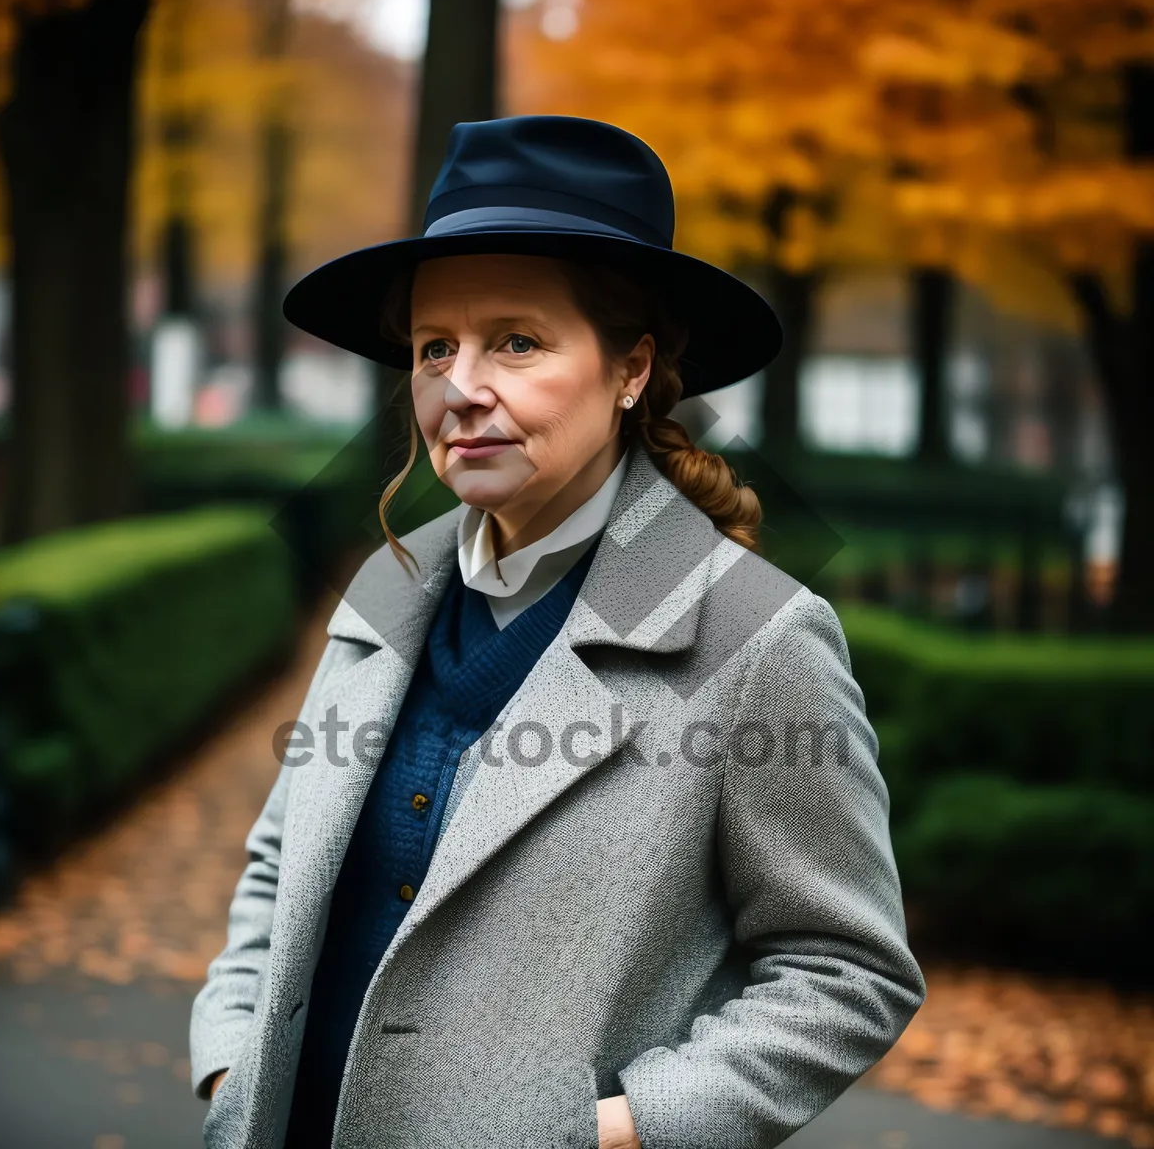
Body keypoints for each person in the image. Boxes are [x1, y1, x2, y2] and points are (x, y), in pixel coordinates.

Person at [190, 114, 926, 1149]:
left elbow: (846, 970)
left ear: (629, 369)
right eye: (434, 347)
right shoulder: (383, 589)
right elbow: (279, 865)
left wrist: (619, 1130)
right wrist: (231, 1058)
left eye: (516, 342)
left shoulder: (759, 640)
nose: (461, 390)